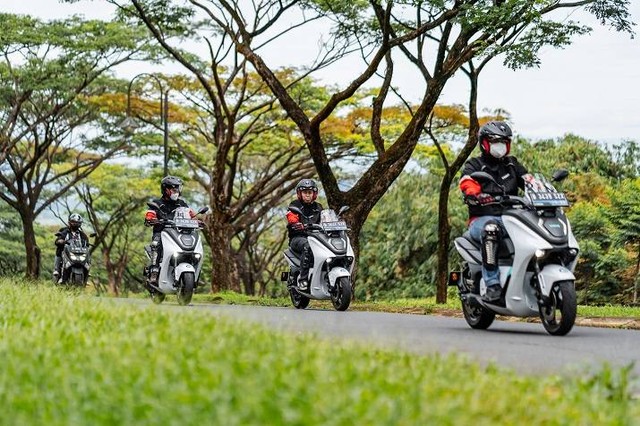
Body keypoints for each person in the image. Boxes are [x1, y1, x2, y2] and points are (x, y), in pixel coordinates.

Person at [459, 121, 536, 302]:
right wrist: (474, 194)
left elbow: (528, 180)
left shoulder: (512, 164)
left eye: (503, 141)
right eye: (494, 141)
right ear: (484, 143)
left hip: (512, 218)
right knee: (490, 229)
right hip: (482, 219)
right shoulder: (475, 164)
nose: (499, 146)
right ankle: (492, 284)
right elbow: (467, 181)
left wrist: (540, 189)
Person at [143, 175, 193, 286]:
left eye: (178, 189)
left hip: (178, 233)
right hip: (161, 232)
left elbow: (192, 216)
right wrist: (151, 219)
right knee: (156, 244)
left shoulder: (182, 204)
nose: (177, 192)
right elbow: (149, 216)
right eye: (174, 189)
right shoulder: (156, 204)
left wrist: (197, 221)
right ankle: (154, 271)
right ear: (165, 190)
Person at [286, 178, 323, 291]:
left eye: (310, 192)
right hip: (298, 238)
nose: (307, 195)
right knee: (308, 246)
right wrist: (296, 223)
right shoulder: (294, 205)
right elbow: (291, 217)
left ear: (314, 194)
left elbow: (326, 218)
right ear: (299, 194)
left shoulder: (319, 207)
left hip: (317, 237)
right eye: (305, 192)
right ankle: (303, 280)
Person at [53, 213, 89, 281]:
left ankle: (86, 276)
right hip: (66, 252)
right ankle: (57, 270)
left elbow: (86, 244)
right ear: (69, 222)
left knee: (88, 255)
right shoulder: (64, 231)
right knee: (59, 251)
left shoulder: (82, 234)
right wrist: (60, 241)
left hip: (78, 253)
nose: (75, 224)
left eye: (78, 223)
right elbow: (58, 240)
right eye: (74, 222)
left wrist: (87, 244)